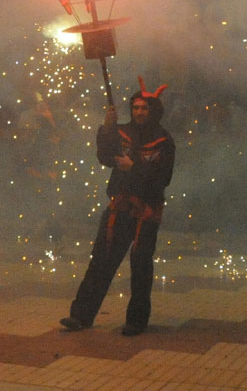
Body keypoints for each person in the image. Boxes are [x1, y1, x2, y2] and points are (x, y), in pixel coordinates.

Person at [60, 78, 175, 336]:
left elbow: (163, 179)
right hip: (119, 207)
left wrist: (134, 168)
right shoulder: (122, 132)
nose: (139, 113)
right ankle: (80, 316)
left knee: (141, 265)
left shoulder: (164, 140)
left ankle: (136, 321)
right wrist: (106, 127)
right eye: (135, 108)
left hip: (146, 211)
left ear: (153, 110)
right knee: (101, 261)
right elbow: (105, 157)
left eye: (144, 109)